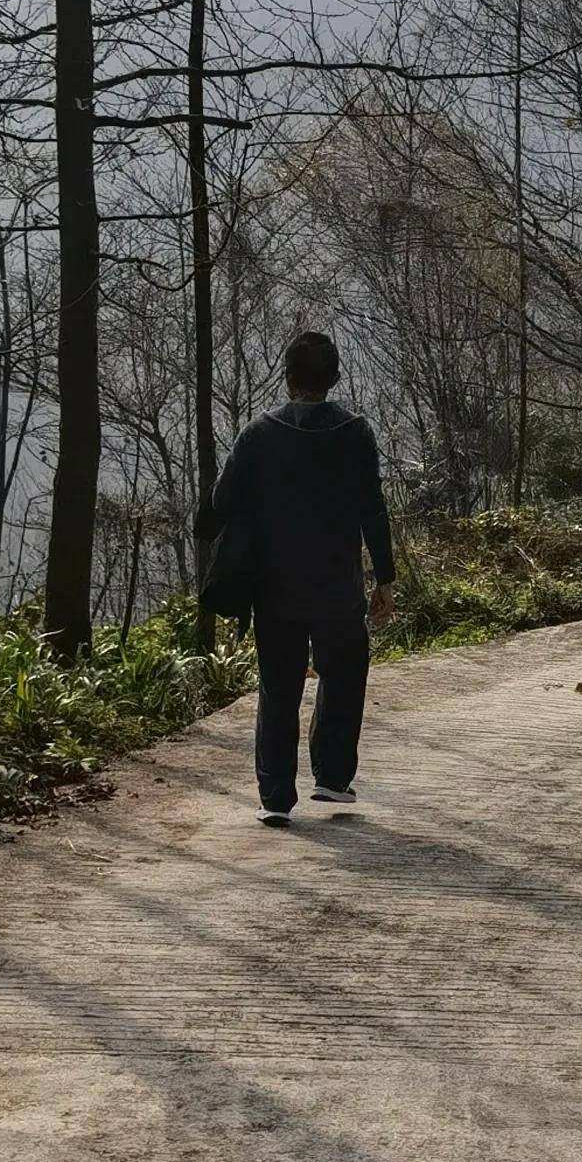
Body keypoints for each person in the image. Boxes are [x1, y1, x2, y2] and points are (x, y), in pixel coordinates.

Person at [207, 330, 397, 823]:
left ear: (287, 378)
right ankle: (332, 779)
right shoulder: (355, 433)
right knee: (344, 674)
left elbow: (219, 506)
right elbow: (372, 509)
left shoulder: (257, 435)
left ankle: (275, 798)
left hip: (274, 586)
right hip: (337, 583)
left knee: (279, 684)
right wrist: (385, 578)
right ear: (333, 379)